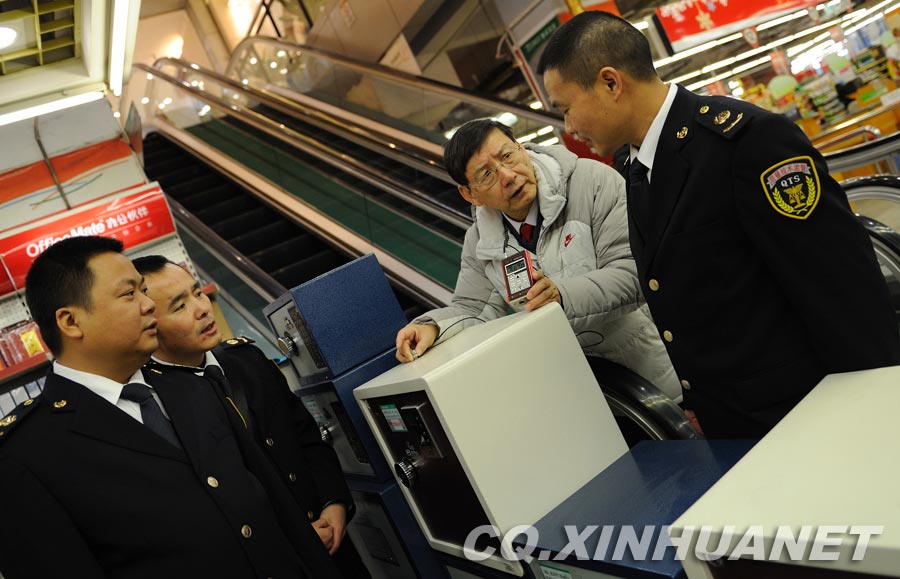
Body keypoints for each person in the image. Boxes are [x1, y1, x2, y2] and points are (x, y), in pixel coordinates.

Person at [537, 11, 900, 438]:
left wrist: (878, 414)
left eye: (566, 109)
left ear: (611, 83)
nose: (570, 128)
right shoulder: (635, 167)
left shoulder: (747, 144)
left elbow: (844, 288)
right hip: (738, 427)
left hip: (815, 414)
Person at [0, 236, 342, 578]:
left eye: (143, 291)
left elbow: (276, 508)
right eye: (129, 294)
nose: (148, 305)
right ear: (71, 322)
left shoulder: (192, 386)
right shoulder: (26, 455)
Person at [395, 118, 683, 404]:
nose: (508, 176)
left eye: (507, 156)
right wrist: (431, 326)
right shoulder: (480, 241)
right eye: (486, 175)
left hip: (660, 377)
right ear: (470, 194)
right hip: (580, 394)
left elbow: (633, 274)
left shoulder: (590, 182)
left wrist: (561, 295)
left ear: (521, 148)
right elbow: (474, 308)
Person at [133, 255, 370, 578]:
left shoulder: (246, 359)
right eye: (179, 306)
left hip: (334, 547)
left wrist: (335, 504)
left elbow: (306, 436)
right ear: (149, 324)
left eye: (198, 292)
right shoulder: (159, 406)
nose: (202, 308)